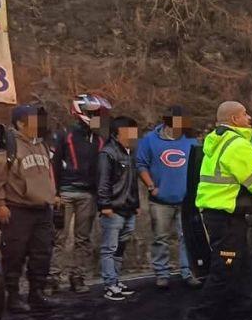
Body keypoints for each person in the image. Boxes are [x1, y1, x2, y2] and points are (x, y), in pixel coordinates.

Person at [182, 101, 252, 320]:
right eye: (245, 114)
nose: (249, 118)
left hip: (223, 214)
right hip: (225, 216)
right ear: (235, 119)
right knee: (225, 272)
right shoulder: (238, 145)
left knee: (243, 267)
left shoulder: (217, 142)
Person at [0, 104, 57, 312]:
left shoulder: (42, 144)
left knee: (42, 253)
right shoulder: (9, 145)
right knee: (14, 254)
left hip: (42, 209)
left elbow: (47, 174)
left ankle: (37, 292)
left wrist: (54, 195)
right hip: (17, 208)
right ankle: (14, 296)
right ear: (21, 123)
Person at [49, 93, 111, 294]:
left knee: (83, 239)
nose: (98, 117)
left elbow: (102, 170)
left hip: (88, 194)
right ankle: (53, 278)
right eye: (94, 113)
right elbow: (54, 164)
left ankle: (78, 276)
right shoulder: (64, 135)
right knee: (59, 238)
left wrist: (102, 198)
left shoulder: (99, 140)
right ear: (81, 112)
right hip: (65, 192)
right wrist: (55, 192)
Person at [136, 105, 202, 290]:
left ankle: (187, 271)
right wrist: (151, 186)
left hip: (186, 200)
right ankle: (162, 273)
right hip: (160, 200)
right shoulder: (150, 140)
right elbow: (141, 164)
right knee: (160, 237)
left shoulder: (191, 140)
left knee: (186, 238)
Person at [97, 116, 141, 301]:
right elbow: (103, 181)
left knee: (120, 247)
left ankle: (115, 280)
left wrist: (136, 204)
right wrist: (105, 204)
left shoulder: (128, 152)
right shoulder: (108, 153)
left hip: (128, 208)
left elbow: (132, 182)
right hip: (113, 208)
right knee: (109, 248)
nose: (134, 134)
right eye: (130, 130)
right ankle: (109, 284)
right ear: (119, 131)